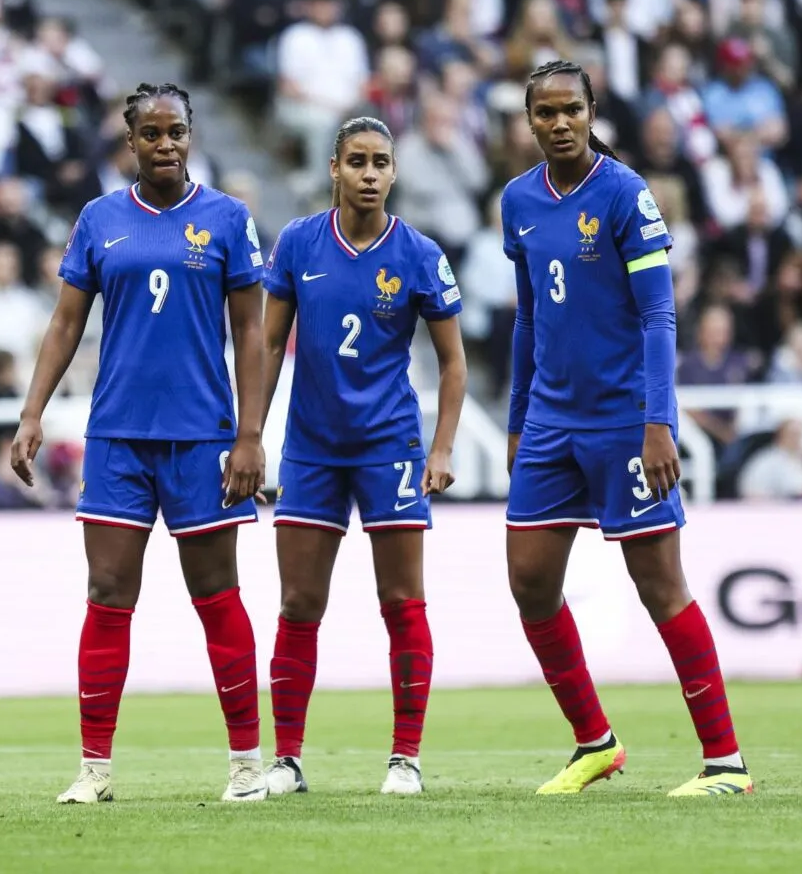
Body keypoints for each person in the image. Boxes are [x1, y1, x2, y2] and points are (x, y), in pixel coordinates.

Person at [10, 83, 269, 804]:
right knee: (106, 594)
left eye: (175, 131)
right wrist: (32, 413)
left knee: (217, 595)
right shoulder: (99, 219)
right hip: (118, 435)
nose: (164, 144)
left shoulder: (227, 218)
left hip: (203, 437)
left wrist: (250, 434)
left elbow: (251, 330)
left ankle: (247, 764)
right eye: (150, 133)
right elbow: (66, 322)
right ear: (130, 143)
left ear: (191, 135)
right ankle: (94, 769)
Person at [502, 61, 751, 797]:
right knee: (530, 582)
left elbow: (659, 316)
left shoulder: (624, 193)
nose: (559, 123)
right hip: (550, 421)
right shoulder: (518, 200)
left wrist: (658, 421)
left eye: (571, 110)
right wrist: (517, 418)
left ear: (591, 111)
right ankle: (595, 743)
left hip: (623, 422)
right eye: (545, 112)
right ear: (530, 120)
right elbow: (527, 318)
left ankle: (726, 763)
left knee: (660, 585)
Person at [259, 117, 467, 797]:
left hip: (389, 447)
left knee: (402, 600)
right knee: (298, 602)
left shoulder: (419, 254)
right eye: (357, 161)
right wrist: (248, 435)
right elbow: (268, 345)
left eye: (381, 162)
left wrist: (441, 446)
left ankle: (405, 758)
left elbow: (454, 361)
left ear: (395, 173)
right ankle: (287, 759)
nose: (369, 173)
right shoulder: (298, 243)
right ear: (334, 169)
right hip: (312, 447)